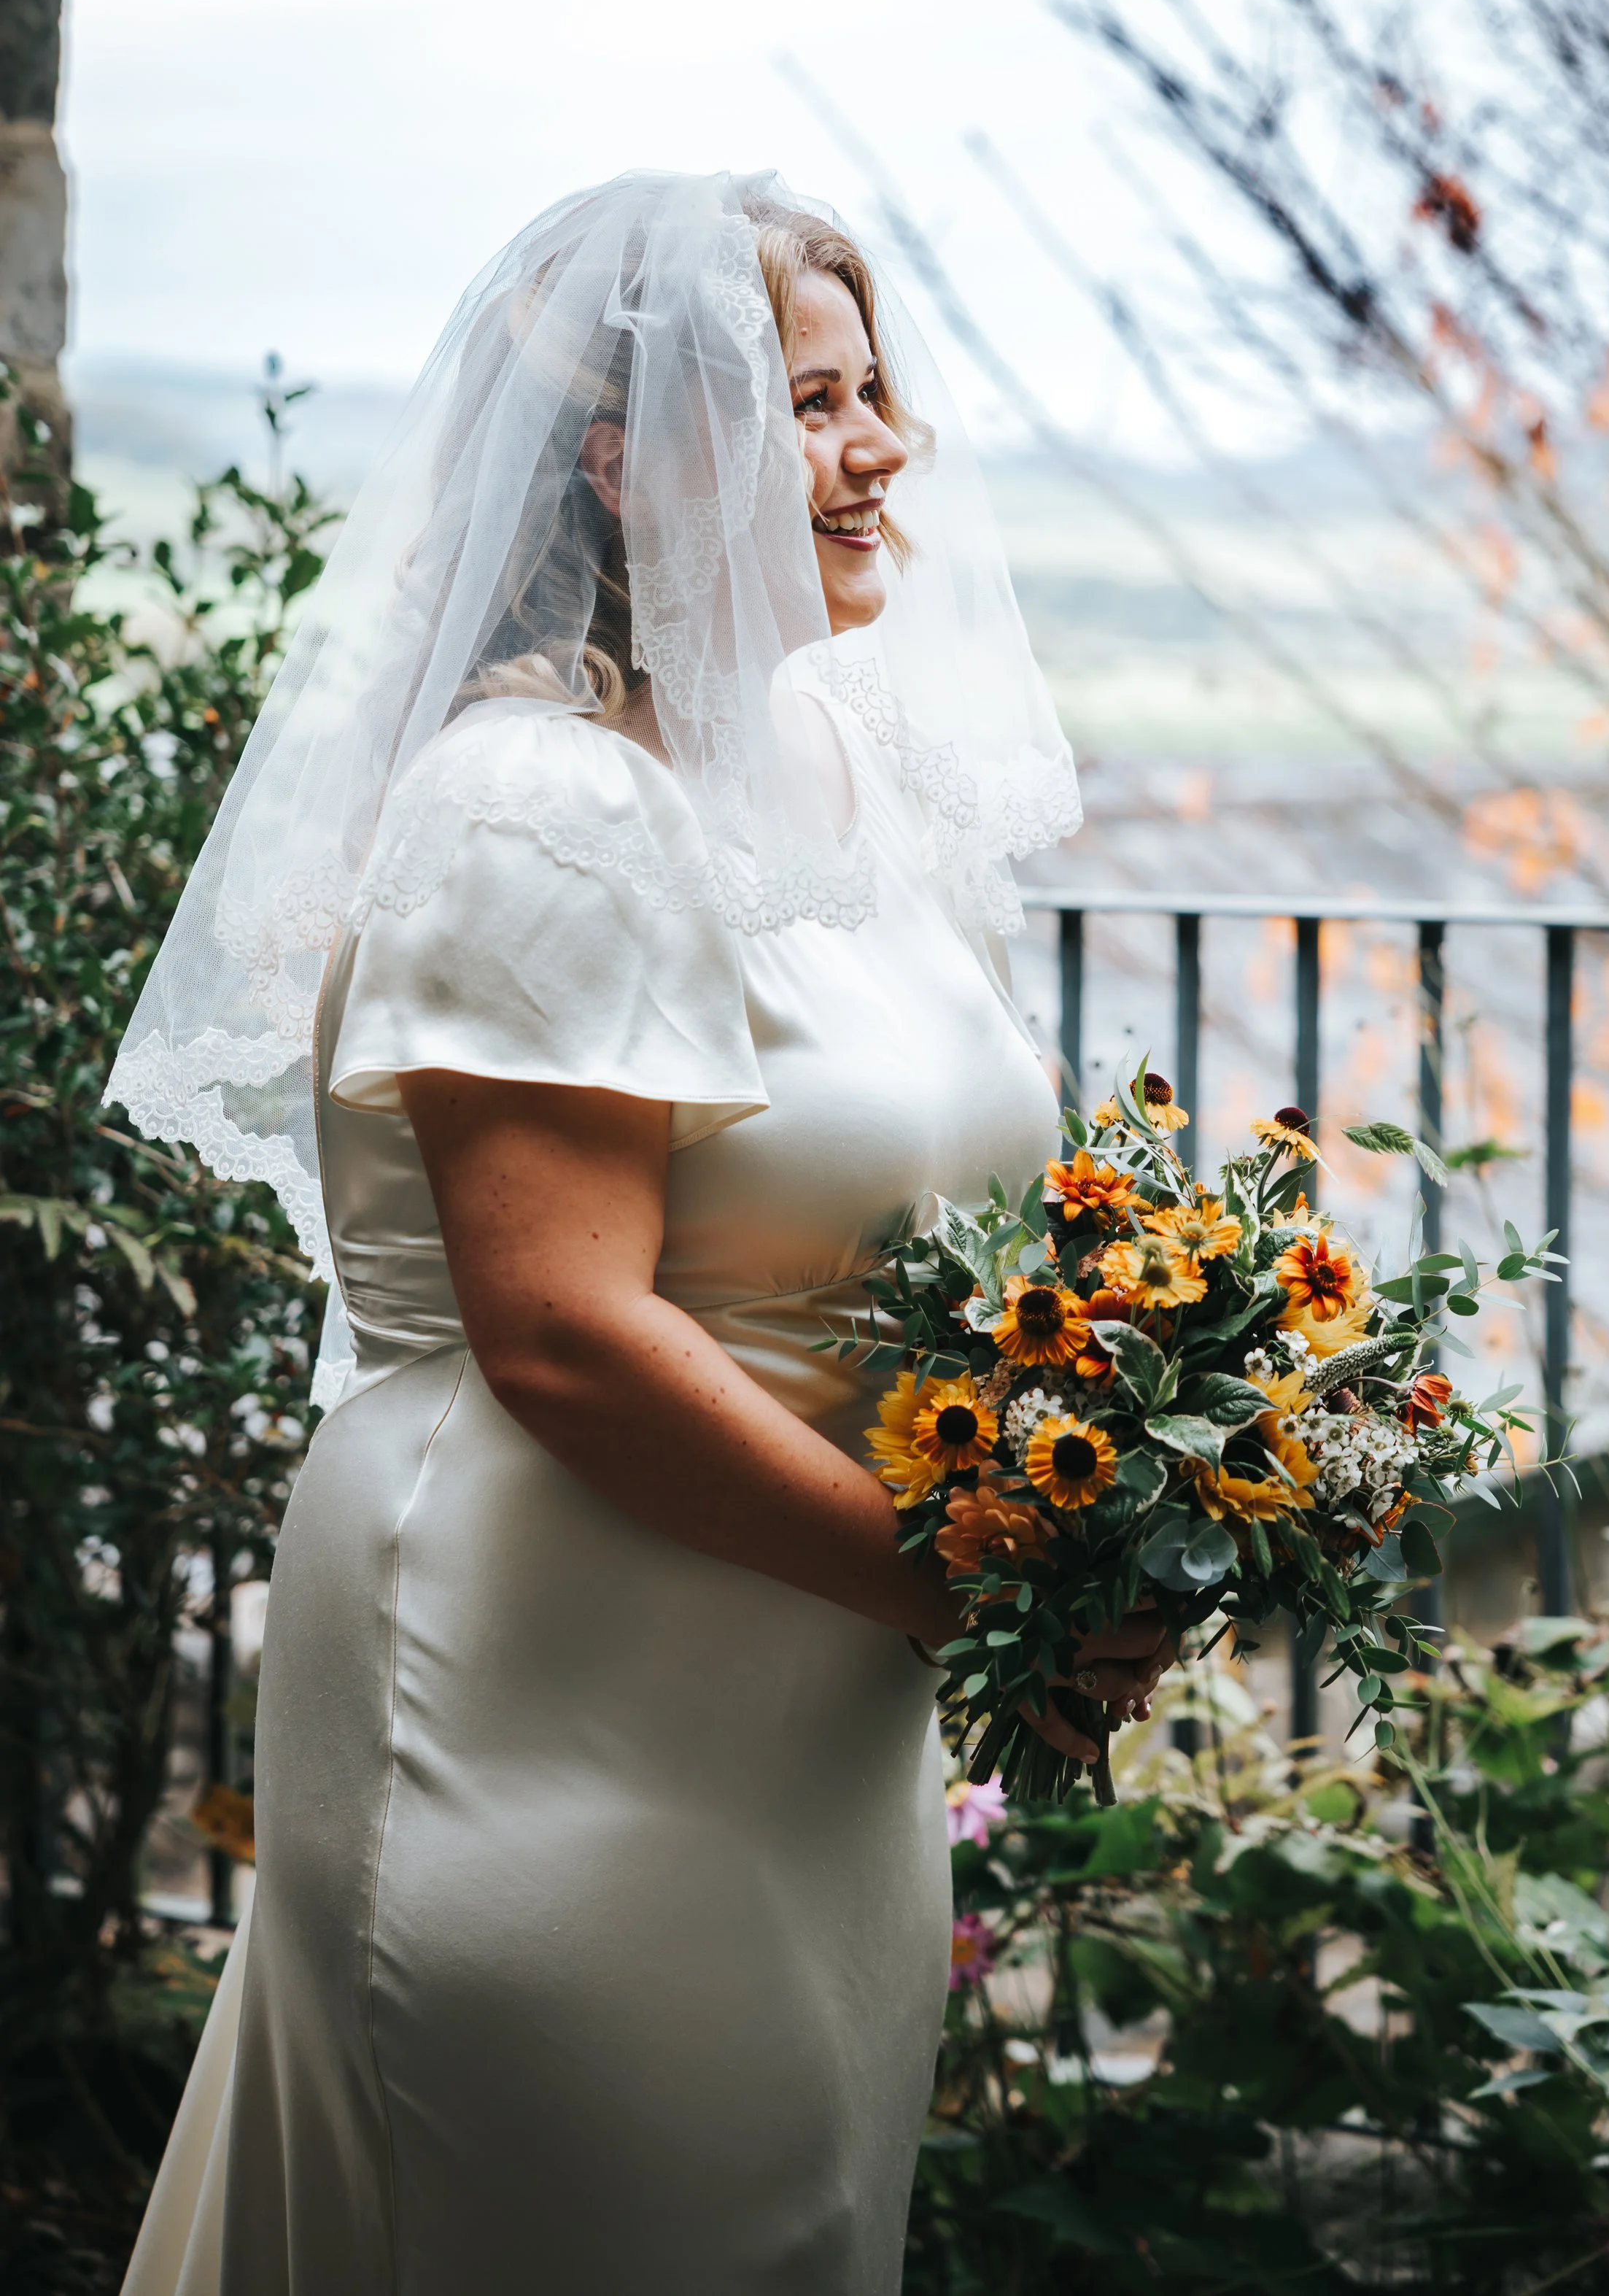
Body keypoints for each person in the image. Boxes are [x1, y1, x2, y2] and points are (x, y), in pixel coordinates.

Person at [109, 172, 1166, 2296]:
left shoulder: (828, 765)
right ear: (627, 457)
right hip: (548, 1697)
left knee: (790, 2217)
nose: (879, 452)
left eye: (875, 394)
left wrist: (1096, 1514)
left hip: (800, 1709)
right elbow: (568, 1331)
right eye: (810, 404)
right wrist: (955, 1586)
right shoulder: (539, 798)